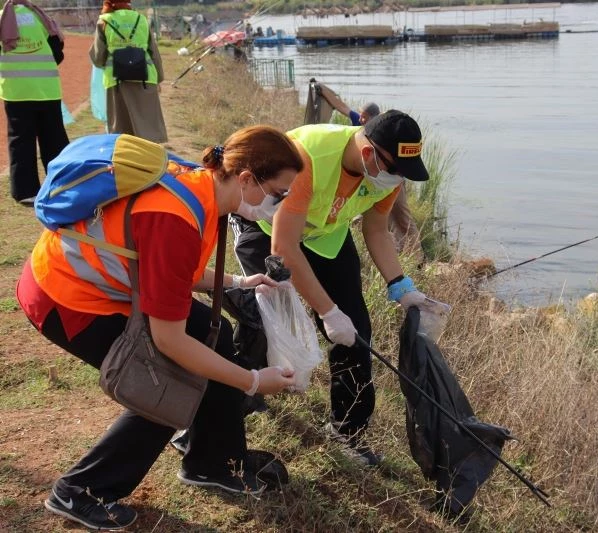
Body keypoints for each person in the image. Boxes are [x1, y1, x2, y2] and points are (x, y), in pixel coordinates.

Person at [16, 125, 304, 530]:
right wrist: (252, 381)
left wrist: (239, 282)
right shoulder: (178, 217)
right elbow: (169, 341)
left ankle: (215, 462)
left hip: (105, 286)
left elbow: (169, 268)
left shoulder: (204, 189)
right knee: (166, 381)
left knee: (211, 335)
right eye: (278, 193)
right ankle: (81, 490)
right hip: (64, 299)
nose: (279, 204)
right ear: (245, 179)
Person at [231, 111, 448, 466]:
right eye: (395, 172)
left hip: (324, 235)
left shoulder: (388, 176)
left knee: (356, 331)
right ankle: (224, 409)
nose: (398, 181)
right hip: (266, 226)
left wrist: (401, 285)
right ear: (368, 155)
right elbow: (284, 250)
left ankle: (348, 432)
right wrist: (327, 311)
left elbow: (376, 230)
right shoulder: (308, 160)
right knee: (264, 322)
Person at [317, 85, 423, 260]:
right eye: (360, 116)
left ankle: (416, 258)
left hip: (389, 175)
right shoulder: (359, 125)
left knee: (401, 217)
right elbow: (340, 105)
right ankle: (388, 252)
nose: (361, 119)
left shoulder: (385, 132)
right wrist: (322, 90)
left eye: (364, 116)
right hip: (368, 179)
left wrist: (394, 174)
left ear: (372, 117)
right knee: (374, 219)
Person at [0, 0, 69, 206]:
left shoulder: (2, 17)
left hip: (16, 91)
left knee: (20, 141)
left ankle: (25, 191)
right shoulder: (41, 17)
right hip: (47, 89)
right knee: (54, 139)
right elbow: (57, 51)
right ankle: (61, 184)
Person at [89, 0, 167, 143]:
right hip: (145, 78)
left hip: (116, 80)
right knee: (148, 127)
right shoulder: (141, 19)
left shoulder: (104, 21)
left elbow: (98, 57)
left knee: (120, 129)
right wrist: (159, 79)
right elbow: (154, 52)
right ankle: (149, 160)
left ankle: (126, 161)